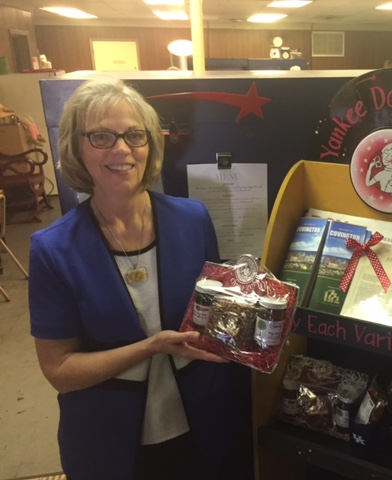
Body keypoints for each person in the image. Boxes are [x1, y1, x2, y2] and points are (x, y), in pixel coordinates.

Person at [29, 76, 251, 479]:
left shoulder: (192, 219)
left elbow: (217, 320)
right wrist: (150, 347)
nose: (122, 149)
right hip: (110, 444)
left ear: (150, 145)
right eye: (101, 136)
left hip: (201, 428)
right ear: (77, 149)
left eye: (135, 135)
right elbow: (59, 370)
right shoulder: (53, 249)